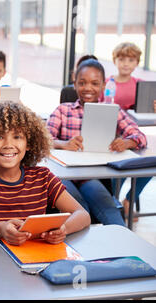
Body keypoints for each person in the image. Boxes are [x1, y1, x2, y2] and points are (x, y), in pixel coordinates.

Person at [0, 101, 90, 246]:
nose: (8, 144)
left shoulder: (43, 178)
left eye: (17, 137)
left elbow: (82, 215)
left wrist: (64, 229)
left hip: (34, 262)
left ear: (29, 143)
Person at [47, 59, 147, 226]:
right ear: (75, 84)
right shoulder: (63, 110)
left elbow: (140, 136)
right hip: (63, 176)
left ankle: (123, 249)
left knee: (111, 213)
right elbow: (43, 139)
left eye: (95, 83)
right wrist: (62, 144)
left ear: (103, 86)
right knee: (81, 211)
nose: (88, 88)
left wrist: (126, 143)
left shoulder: (112, 111)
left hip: (90, 177)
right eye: (82, 83)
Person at [106, 42, 153, 215]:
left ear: (137, 62)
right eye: (122, 59)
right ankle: (113, 202)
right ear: (115, 60)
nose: (126, 63)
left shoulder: (141, 85)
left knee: (148, 165)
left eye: (131, 59)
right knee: (118, 167)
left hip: (134, 137)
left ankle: (130, 199)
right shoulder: (106, 83)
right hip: (111, 136)